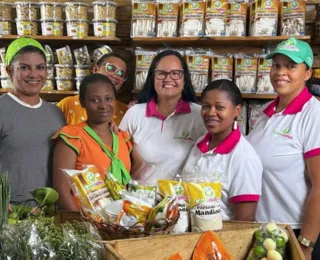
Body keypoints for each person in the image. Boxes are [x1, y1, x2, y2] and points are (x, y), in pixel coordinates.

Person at [246, 37, 320, 260]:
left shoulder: (313, 114)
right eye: (276, 65)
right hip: (264, 233)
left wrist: (305, 246)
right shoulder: (266, 111)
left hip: (294, 233)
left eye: (291, 66)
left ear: (307, 73)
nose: (281, 72)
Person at [119, 50, 207, 186]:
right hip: (139, 201)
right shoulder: (135, 113)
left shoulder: (199, 115)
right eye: (161, 73)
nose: (168, 79)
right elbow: (118, 157)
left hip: (182, 201)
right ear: (152, 78)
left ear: (185, 79)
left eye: (175, 73)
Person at [182, 80, 263, 221]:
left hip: (220, 240)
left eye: (219, 107)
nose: (211, 113)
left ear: (237, 110)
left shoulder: (244, 158)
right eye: (206, 106)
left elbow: (245, 221)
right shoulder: (199, 144)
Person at [0, 38, 65, 205]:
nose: (34, 74)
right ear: (9, 71)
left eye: (40, 67)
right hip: (10, 215)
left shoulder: (56, 113)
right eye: (24, 67)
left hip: (49, 213)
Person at [52, 74, 132, 210]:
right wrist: (81, 224)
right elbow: (61, 190)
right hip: (85, 223)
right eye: (94, 100)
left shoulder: (122, 138)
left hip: (119, 223)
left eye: (108, 99)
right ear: (83, 102)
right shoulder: (73, 137)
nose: (103, 105)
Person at [57, 53, 128, 125]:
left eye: (121, 74)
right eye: (111, 68)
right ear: (95, 69)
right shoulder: (67, 105)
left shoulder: (126, 111)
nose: (116, 75)